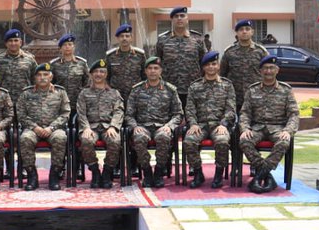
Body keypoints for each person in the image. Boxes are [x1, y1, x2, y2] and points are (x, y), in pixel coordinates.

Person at [239, 54, 300, 193]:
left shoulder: (286, 90)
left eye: (272, 68)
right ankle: (267, 174)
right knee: (244, 141)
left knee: (284, 142)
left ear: (277, 70)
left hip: (277, 127)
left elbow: (294, 114)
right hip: (257, 127)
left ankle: (260, 174)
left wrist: (288, 131)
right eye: (265, 68)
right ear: (260, 71)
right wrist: (245, 128)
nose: (268, 71)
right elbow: (245, 113)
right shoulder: (252, 89)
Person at [125, 56, 182, 188]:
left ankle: (159, 172)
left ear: (161, 70)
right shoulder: (137, 90)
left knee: (163, 137)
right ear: (145, 71)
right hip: (143, 127)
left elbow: (178, 114)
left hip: (162, 126)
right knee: (139, 138)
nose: (153, 71)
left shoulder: (170, 90)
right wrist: (134, 126)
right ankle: (147, 172)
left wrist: (169, 126)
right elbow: (129, 114)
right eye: (150, 68)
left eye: (156, 68)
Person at [183, 51, 237, 189]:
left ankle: (218, 175)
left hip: (219, 125)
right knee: (189, 141)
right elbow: (189, 109)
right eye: (208, 65)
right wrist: (193, 124)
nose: (211, 67)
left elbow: (231, 109)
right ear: (203, 67)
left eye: (214, 64)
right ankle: (198, 173)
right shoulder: (195, 86)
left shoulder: (227, 85)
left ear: (218, 66)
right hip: (200, 125)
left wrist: (224, 124)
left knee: (222, 141)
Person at [16, 62, 70, 191]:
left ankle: (54, 175)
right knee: (25, 139)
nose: (42, 77)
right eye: (39, 75)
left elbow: (65, 113)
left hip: (54, 129)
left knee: (60, 138)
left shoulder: (60, 92)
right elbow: (21, 114)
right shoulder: (26, 93)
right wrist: (35, 127)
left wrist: (51, 127)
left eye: (46, 74)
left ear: (51, 77)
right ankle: (31, 176)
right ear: (34, 78)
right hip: (32, 129)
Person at [76, 58, 124, 188]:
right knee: (86, 141)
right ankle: (95, 171)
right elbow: (81, 113)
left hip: (109, 127)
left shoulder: (114, 93)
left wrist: (113, 126)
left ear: (106, 74)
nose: (99, 74)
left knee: (115, 141)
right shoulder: (84, 93)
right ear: (91, 74)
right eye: (96, 71)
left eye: (102, 71)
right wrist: (85, 128)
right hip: (91, 127)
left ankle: (107, 172)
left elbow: (119, 112)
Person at [156, 7, 207, 110]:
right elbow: (158, 63)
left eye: (182, 16)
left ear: (187, 19)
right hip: (169, 89)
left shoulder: (197, 39)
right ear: (172, 20)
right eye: (176, 16)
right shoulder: (163, 40)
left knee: (192, 120)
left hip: (193, 89)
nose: (179, 18)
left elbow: (205, 62)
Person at [221, 19, 268, 112]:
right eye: (241, 29)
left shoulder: (261, 52)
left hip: (256, 96)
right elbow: (222, 74)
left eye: (247, 29)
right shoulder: (229, 52)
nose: (244, 31)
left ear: (252, 32)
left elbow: (268, 73)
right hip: (234, 97)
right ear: (237, 33)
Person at [105, 23, 145, 105]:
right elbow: (106, 76)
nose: (124, 38)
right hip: (116, 97)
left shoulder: (140, 55)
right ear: (117, 38)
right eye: (121, 36)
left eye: (127, 36)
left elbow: (144, 75)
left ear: (131, 38)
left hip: (135, 96)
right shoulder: (110, 56)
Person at [0, 28, 36, 102]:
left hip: (24, 100)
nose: (13, 43)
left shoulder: (30, 59)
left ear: (20, 42)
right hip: (3, 100)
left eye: (16, 40)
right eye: (10, 41)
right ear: (6, 43)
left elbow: (36, 77)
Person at [50, 33, 89, 109]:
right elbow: (50, 83)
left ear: (74, 47)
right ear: (60, 48)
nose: (67, 47)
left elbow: (87, 82)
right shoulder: (54, 64)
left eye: (70, 44)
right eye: (64, 45)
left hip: (77, 103)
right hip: (59, 104)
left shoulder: (82, 63)